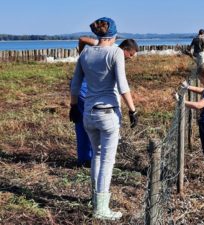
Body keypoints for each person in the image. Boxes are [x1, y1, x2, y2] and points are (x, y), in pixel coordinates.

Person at [70, 17, 138, 220]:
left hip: (88, 113)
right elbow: (123, 85)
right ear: (114, 35)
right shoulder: (116, 52)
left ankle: (94, 198)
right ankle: (101, 209)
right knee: (107, 161)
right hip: (108, 113)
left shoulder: (86, 53)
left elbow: (75, 84)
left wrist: (73, 107)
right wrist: (133, 110)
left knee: (97, 157)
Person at [70, 38, 139, 167]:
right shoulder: (108, 48)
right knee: (86, 123)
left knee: (85, 123)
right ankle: (88, 159)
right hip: (86, 90)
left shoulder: (113, 53)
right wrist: (132, 110)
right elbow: (82, 39)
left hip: (88, 90)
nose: (131, 58)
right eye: (131, 55)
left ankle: (87, 159)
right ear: (124, 49)